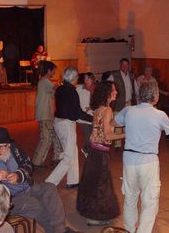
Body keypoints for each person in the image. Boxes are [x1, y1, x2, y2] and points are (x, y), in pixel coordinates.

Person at [0, 127, 74, 233]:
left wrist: (18, 175)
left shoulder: (14, 150)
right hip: (10, 199)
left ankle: (60, 230)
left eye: (2, 146)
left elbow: (28, 164)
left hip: (28, 187)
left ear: (9, 145)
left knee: (50, 188)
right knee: (37, 205)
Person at [114, 82, 169, 233]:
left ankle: (129, 230)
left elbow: (114, 122)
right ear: (155, 97)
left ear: (139, 96)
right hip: (148, 162)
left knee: (130, 198)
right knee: (149, 201)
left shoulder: (128, 110)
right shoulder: (160, 115)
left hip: (129, 159)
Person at [76, 81, 124, 226]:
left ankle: (94, 215)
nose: (116, 92)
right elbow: (108, 135)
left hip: (94, 151)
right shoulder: (107, 110)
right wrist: (127, 135)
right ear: (108, 93)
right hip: (100, 153)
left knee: (94, 183)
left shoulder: (99, 109)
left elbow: (110, 126)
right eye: (114, 90)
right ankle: (96, 216)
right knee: (101, 185)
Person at [45, 67, 93, 188]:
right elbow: (76, 113)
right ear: (73, 78)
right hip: (66, 124)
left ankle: (73, 180)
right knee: (68, 157)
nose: (78, 79)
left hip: (59, 123)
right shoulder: (72, 91)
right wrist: (92, 119)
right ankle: (49, 183)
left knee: (73, 151)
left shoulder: (60, 89)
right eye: (77, 77)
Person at [32, 61, 63, 168]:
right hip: (44, 115)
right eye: (53, 70)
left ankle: (57, 158)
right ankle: (36, 162)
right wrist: (62, 84)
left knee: (54, 137)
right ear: (49, 70)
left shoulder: (44, 82)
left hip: (47, 115)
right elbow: (57, 90)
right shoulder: (45, 81)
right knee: (46, 139)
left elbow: (54, 94)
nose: (54, 72)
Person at [108, 58, 139, 148]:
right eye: (123, 64)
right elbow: (107, 86)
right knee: (118, 124)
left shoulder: (131, 76)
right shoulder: (114, 75)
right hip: (118, 104)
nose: (125, 66)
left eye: (127, 65)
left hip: (129, 103)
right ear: (120, 65)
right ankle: (117, 145)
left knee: (129, 123)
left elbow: (136, 89)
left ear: (128, 66)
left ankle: (128, 142)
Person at [76, 72, 96, 156]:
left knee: (93, 137)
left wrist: (92, 107)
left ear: (93, 79)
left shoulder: (96, 89)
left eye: (88, 78)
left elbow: (99, 102)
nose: (86, 80)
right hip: (83, 117)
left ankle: (86, 149)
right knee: (88, 136)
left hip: (93, 116)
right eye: (85, 78)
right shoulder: (78, 89)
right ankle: (88, 152)